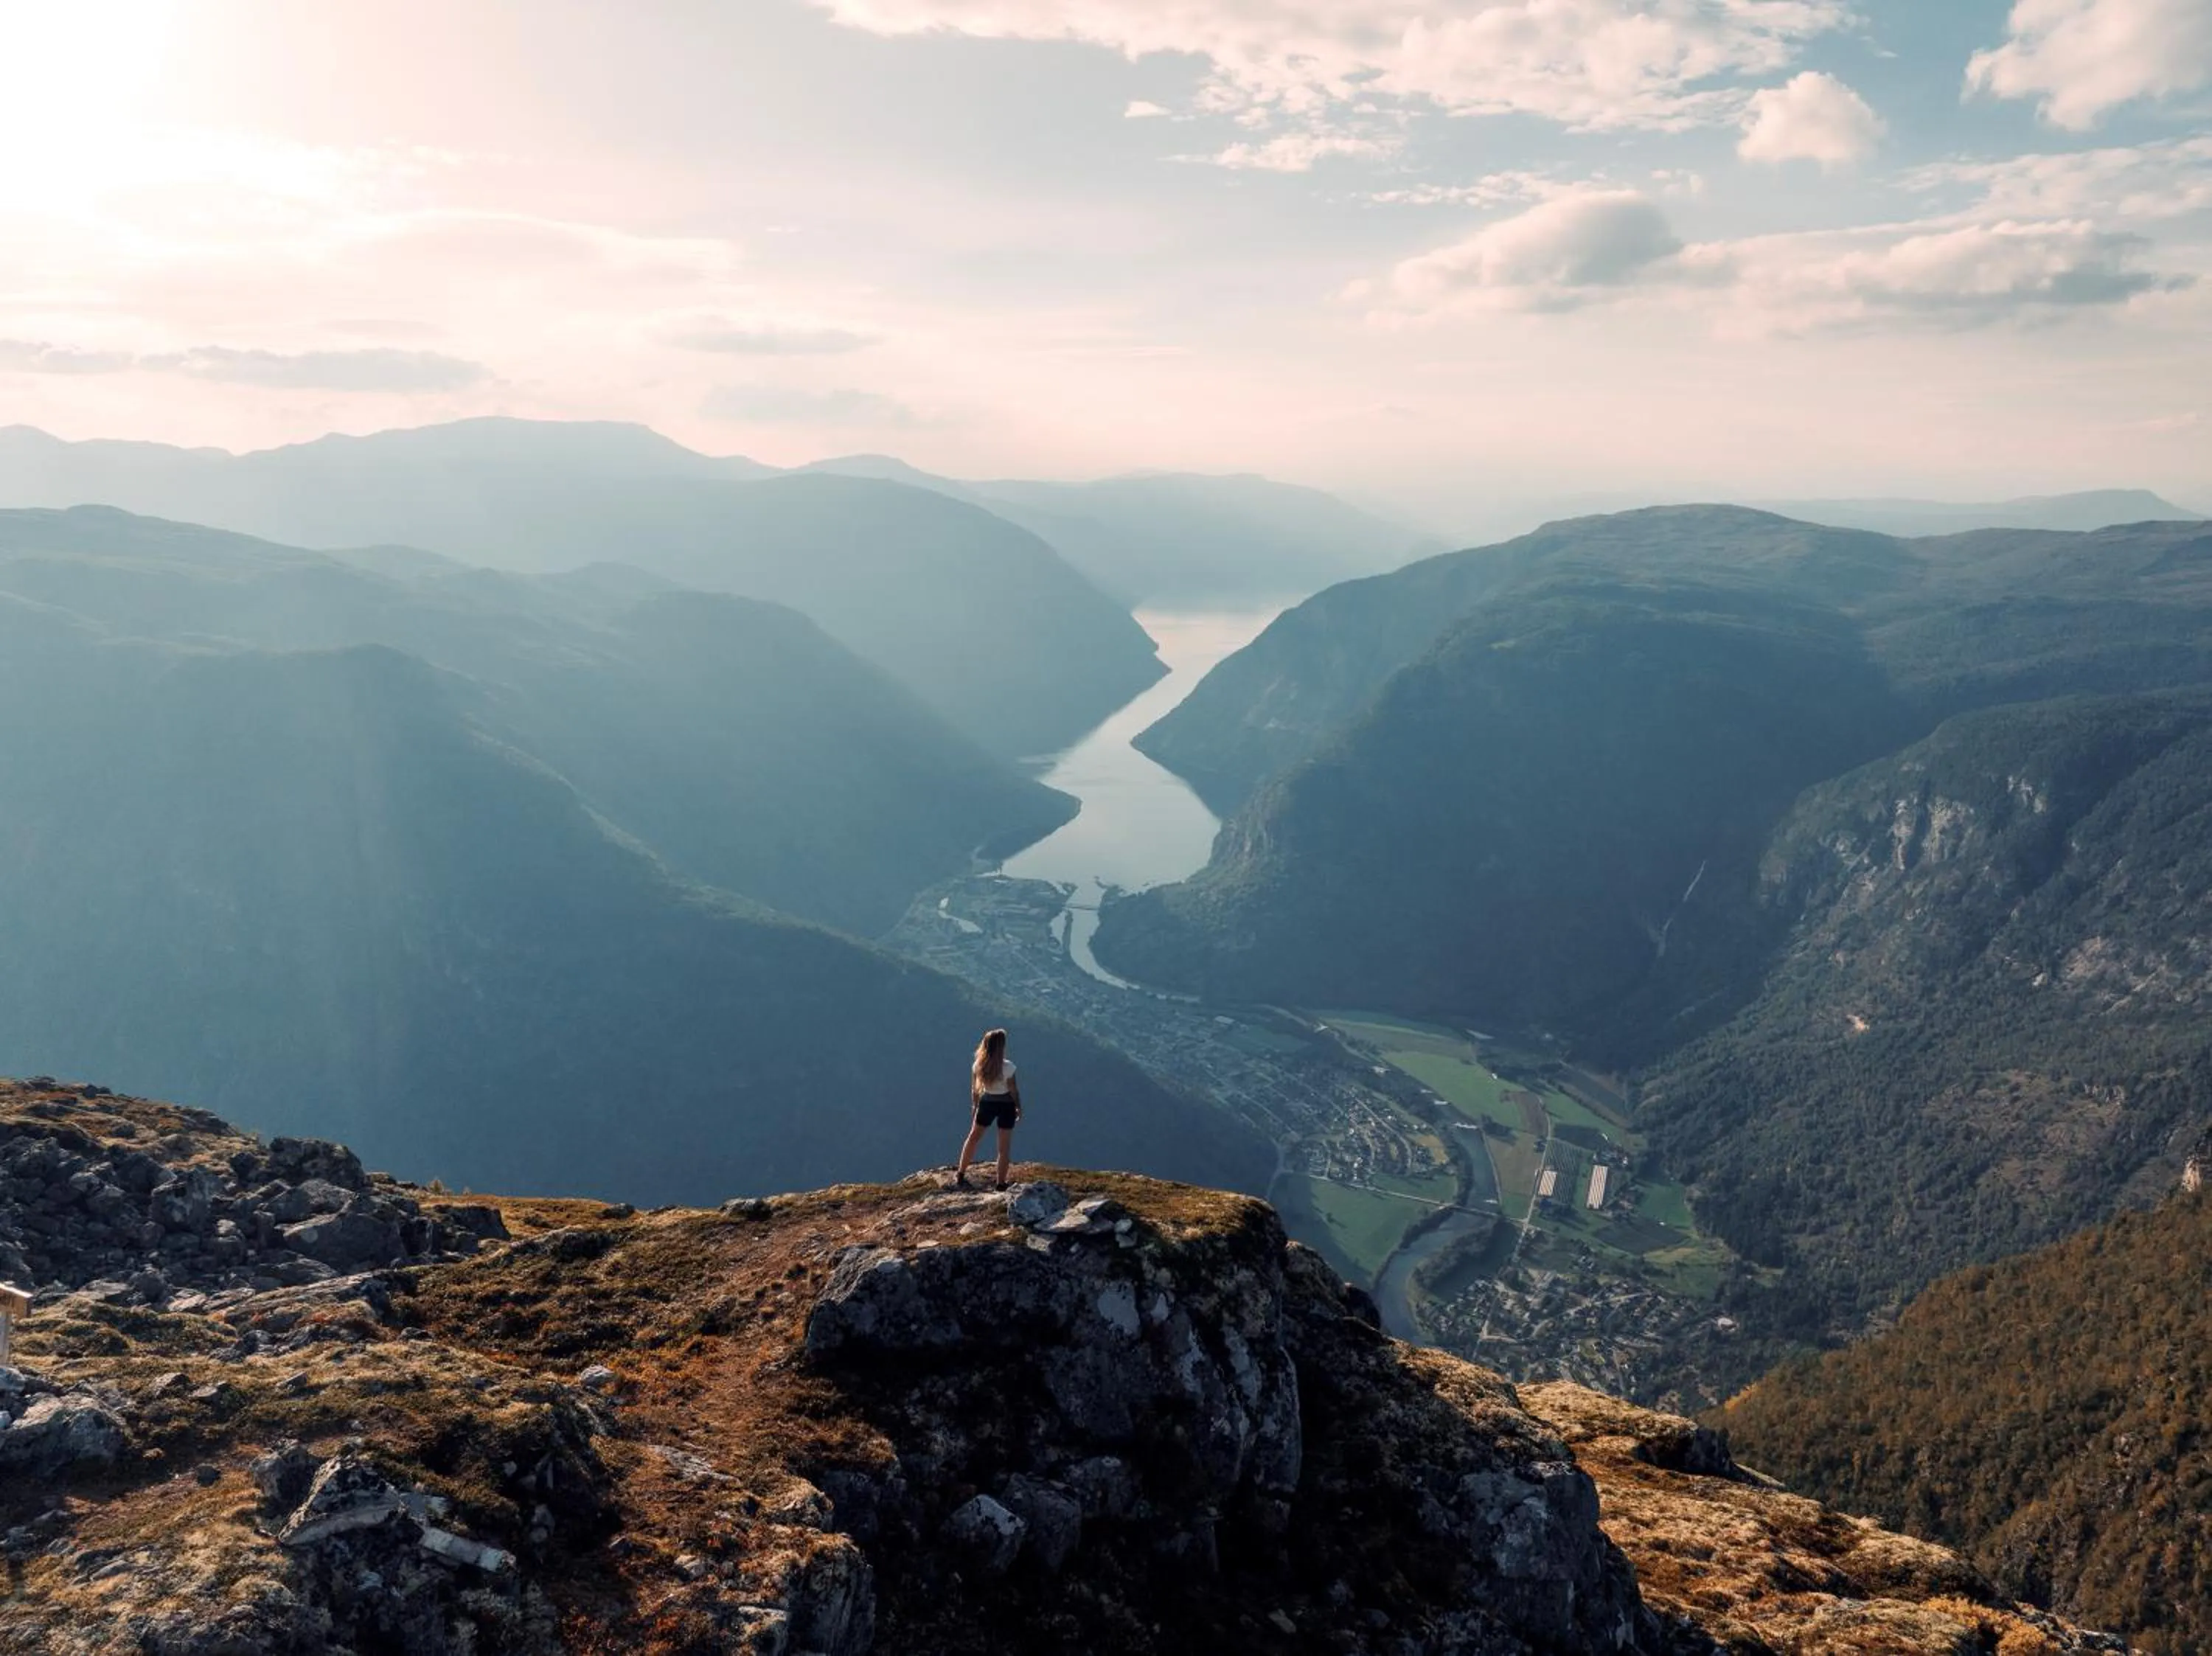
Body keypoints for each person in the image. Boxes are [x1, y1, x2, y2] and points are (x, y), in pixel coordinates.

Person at [955, 1027, 1020, 1190]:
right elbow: (1013, 1090)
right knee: (1004, 1148)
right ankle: (1000, 1183)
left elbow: (974, 1090)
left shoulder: (978, 1065)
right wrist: (1019, 1107)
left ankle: (961, 1174)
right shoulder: (1009, 1067)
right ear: (1001, 1046)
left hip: (987, 1103)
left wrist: (975, 1106)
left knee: (973, 1138)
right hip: (1006, 1105)